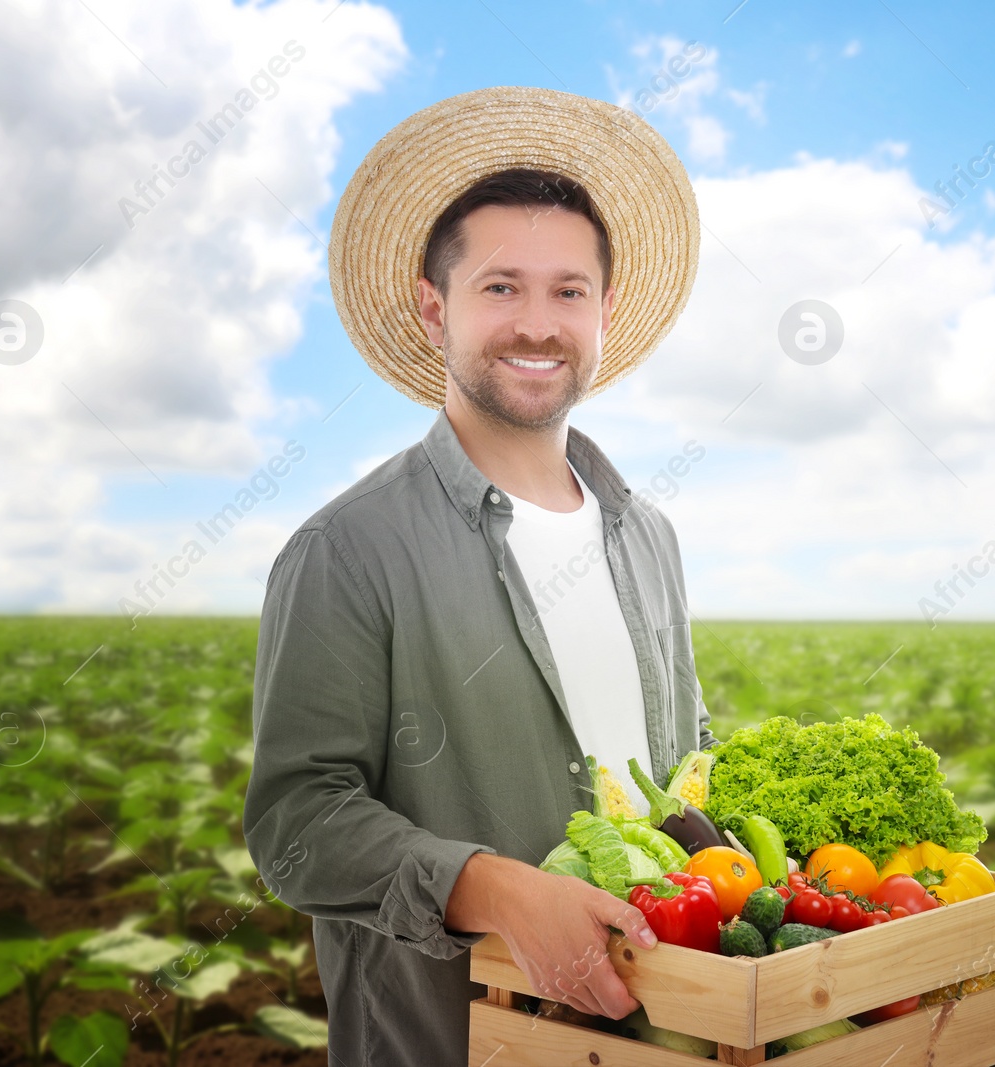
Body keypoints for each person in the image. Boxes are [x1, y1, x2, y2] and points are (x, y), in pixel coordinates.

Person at [242, 85, 716, 1066]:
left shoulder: (648, 535)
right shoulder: (348, 549)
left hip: (653, 1032)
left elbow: (682, 758)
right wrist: (495, 887)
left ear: (604, 309)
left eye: (567, 290)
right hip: (445, 1040)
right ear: (434, 308)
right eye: (500, 287)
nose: (536, 324)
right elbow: (296, 820)